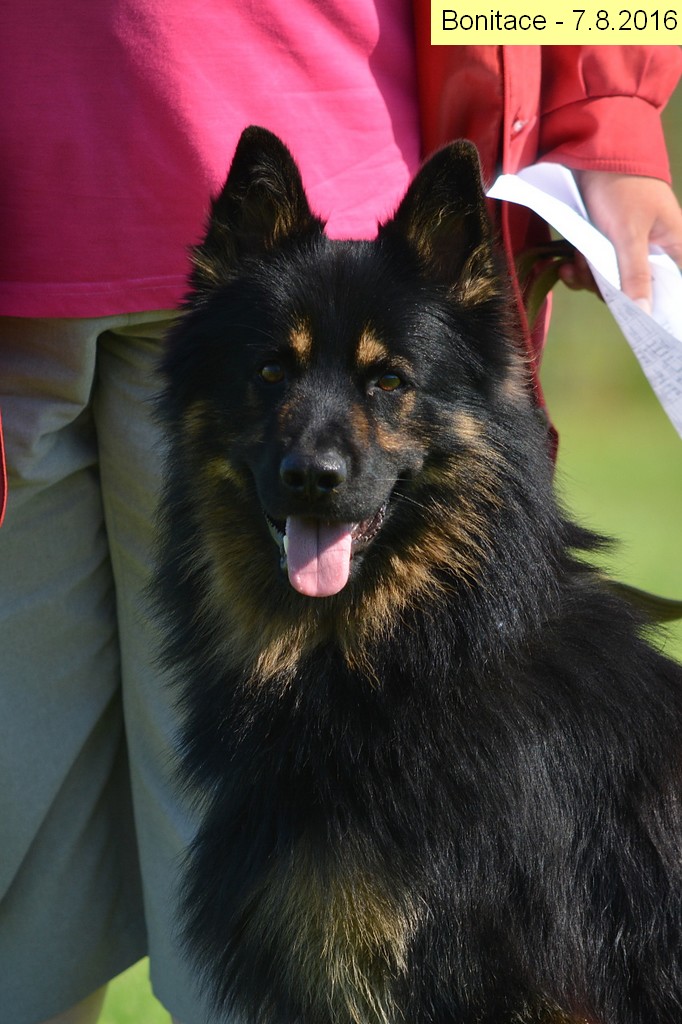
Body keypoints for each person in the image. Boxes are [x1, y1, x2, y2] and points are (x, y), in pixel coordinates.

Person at [0, 3, 680, 1018]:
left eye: (384, 386)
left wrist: (608, 111)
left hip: (349, 148)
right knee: (14, 863)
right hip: (23, 243)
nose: (321, 450)